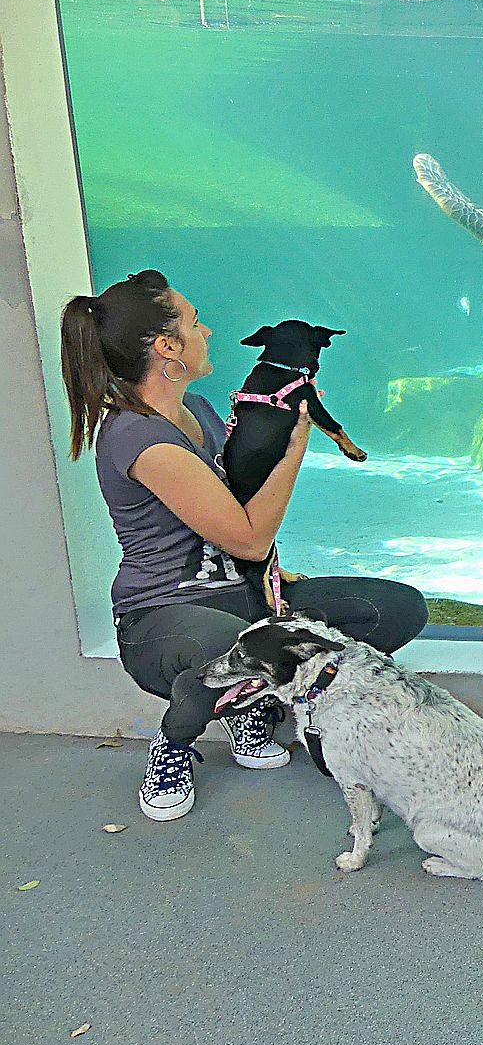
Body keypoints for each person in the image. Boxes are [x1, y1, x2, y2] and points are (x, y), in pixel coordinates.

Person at [59, 270, 429, 823]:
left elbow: (241, 516)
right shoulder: (141, 438)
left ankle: (248, 700)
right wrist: (295, 443)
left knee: (394, 610)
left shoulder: (201, 412)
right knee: (233, 645)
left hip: (247, 600)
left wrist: (281, 576)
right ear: (167, 347)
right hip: (163, 617)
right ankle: (174, 743)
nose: (205, 329)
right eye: (192, 322)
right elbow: (251, 537)